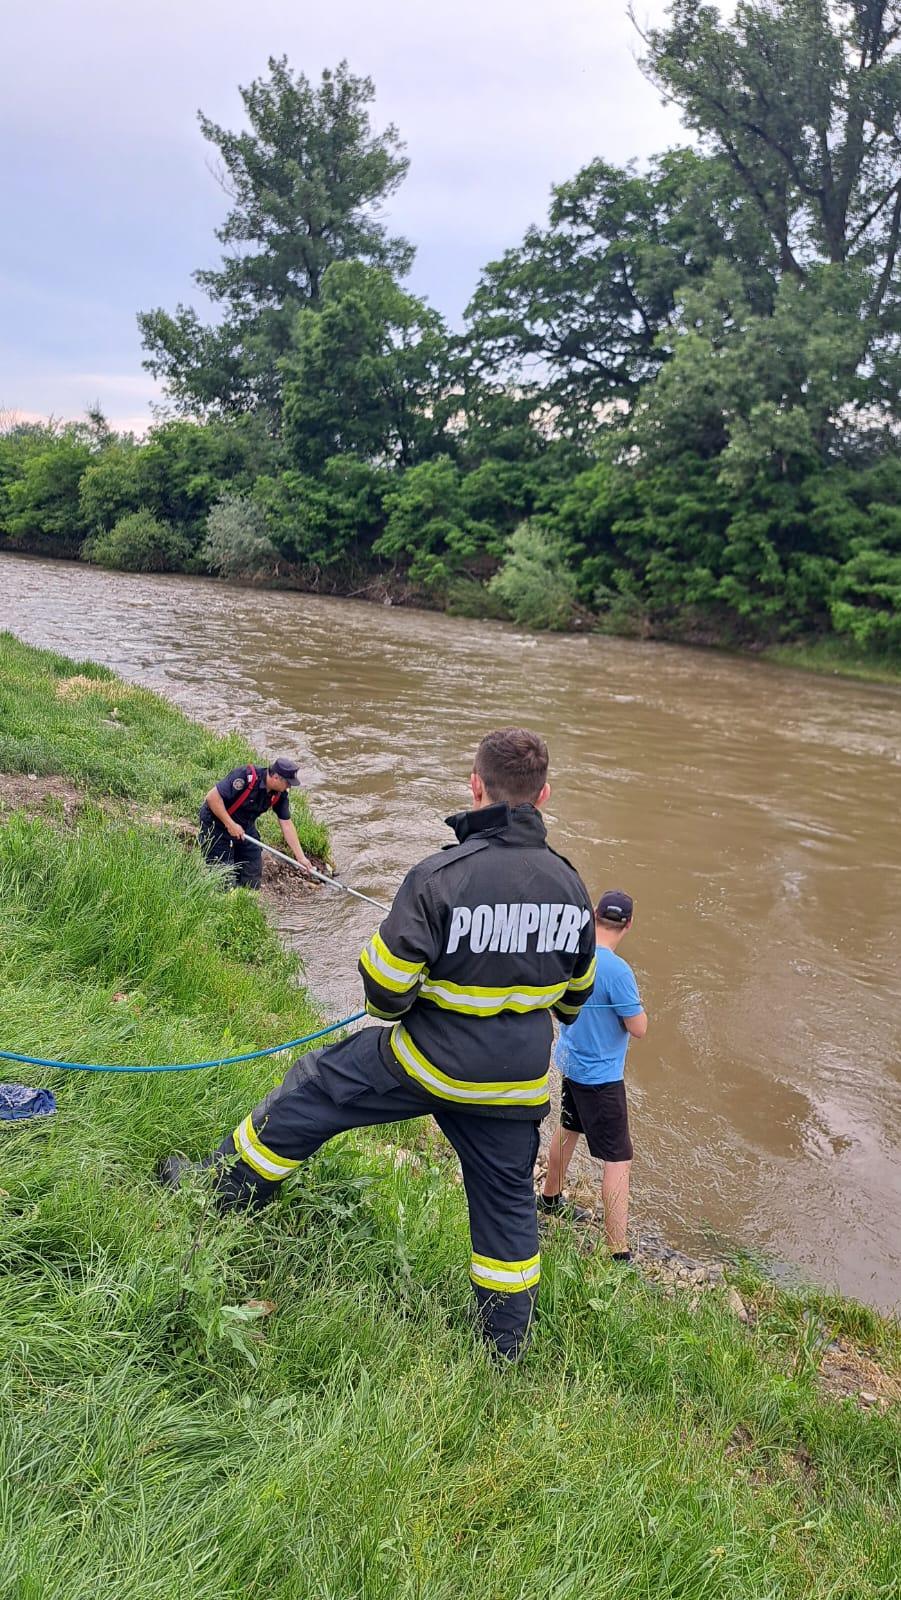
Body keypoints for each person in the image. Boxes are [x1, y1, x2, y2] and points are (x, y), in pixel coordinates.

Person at [161, 728, 596, 1359]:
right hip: (516, 1083)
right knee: (506, 1208)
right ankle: (505, 1347)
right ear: (544, 796)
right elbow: (574, 999)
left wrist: (414, 987)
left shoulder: (439, 876)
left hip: (427, 1062)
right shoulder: (571, 887)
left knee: (310, 1090)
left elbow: (385, 990)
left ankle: (219, 1192)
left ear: (475, 786)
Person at [538, 889, 648, 1261]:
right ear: (628, 924)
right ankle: (618, 1252)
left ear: (595, 915)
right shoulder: (618, 971)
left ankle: (550, 1198)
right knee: (618, 1160)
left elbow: (556, 1006)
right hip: (601, 1079)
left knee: (568, 1130)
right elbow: (639, 1027)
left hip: (571, 1065)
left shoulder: (572, 955)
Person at [198, 758, 312, 889]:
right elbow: (212, 798)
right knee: (223, 878)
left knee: (252, 868)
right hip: (216, 822)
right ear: (275, 777)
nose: (289, 787)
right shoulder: (245, 777)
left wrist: (301, 857)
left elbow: (286, 824)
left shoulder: (280, 794)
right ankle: (225, 897)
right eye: (288, 783)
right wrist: (230, 824)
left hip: (245, 826)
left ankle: (246, 898)